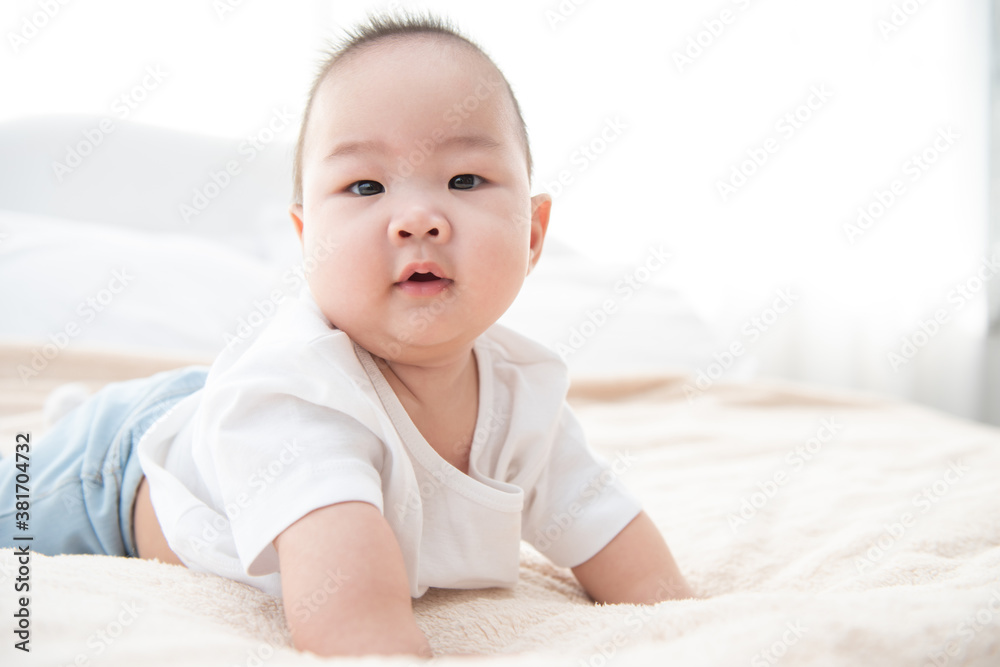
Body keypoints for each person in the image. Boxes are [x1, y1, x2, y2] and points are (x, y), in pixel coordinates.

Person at [0, 11, 694, 659]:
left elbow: (607, 528)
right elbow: (356, 625)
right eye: (366, 187)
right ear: (308, 240)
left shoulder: (524, 391)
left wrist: (688, 624)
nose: (418, 217)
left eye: (464, 178)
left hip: (209, 405)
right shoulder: (301, 396)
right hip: (116, 474)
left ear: (535, 233)